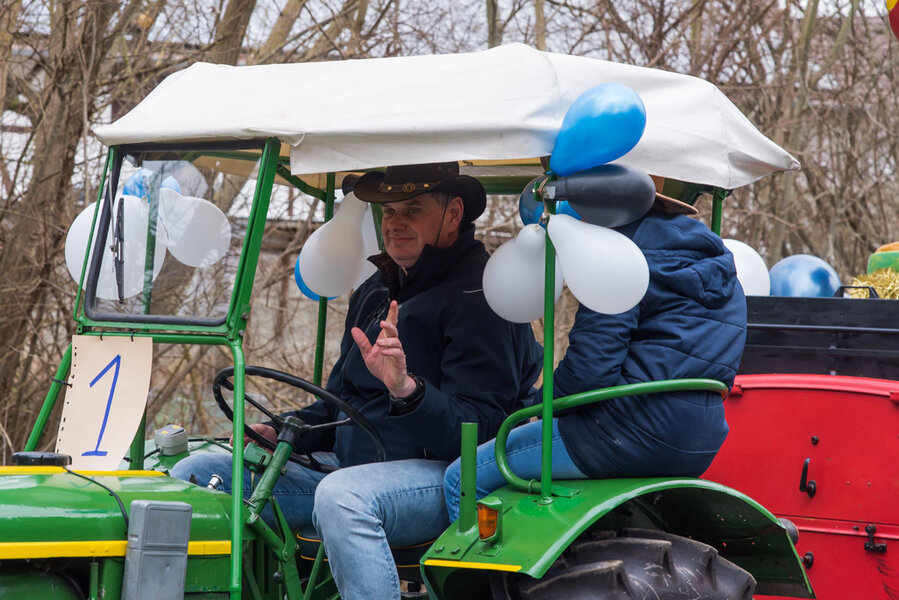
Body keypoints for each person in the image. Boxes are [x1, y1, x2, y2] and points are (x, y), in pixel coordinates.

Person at [172, 162, 540, 600]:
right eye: (388, 211)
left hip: (442, 480)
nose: (395, 223)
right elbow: (338, 404)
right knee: (196, 472)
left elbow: (480, 429)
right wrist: (280, 430)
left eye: (412, 209)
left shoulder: (482, 296)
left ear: (454, 213)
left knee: (343, 498)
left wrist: (406, 390)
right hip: (344, 467)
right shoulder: (376, 290)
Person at [444, 188, 747, 521]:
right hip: (700, 439)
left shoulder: (615, 257)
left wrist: (538, 406)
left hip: (625, 431)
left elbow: (591, 368)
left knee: (462, 479)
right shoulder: (718, 263)